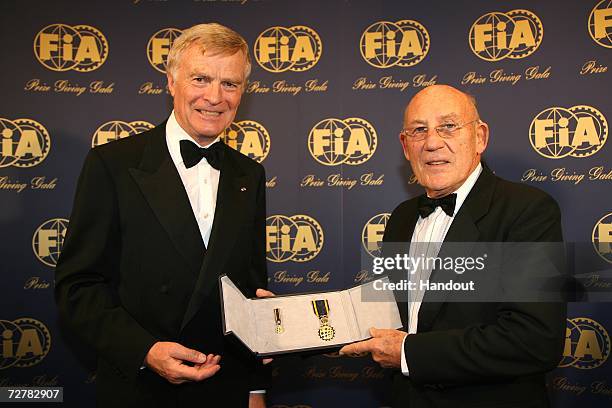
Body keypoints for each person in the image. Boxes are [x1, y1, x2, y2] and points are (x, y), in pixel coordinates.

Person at [55, 23, 270, 407]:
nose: (215, 97)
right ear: (171, 82)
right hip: (139, 391)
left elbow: (251, 283)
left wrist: (256, 388)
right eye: (201, 79)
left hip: (226, 387)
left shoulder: (249, 175)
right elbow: (78, 287)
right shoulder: (113, 164)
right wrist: (145, 350)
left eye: (230, 84)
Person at [340, 85, 566, 407]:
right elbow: (392, 313)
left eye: (448, 126)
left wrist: (407, 352)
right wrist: (297, 324)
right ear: (405, 146)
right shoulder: (402, 217)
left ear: (480, 137)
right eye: (419, 131)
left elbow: (534, 340)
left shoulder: (527, 210)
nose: (432, 143)